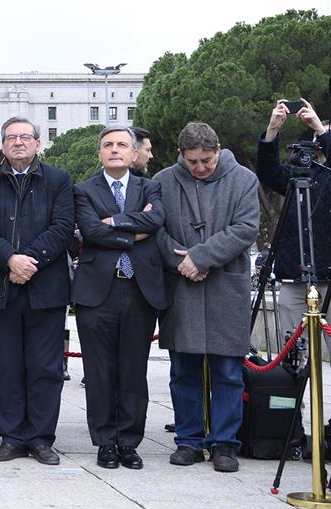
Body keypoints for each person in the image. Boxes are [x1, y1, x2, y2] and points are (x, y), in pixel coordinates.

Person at [0, 117, 74, 465]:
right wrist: (9, 259)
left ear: (38, 144)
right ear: (3, 145)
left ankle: (41, 438)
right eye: (10, 137)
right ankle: (11, 436)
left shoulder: (59, 180)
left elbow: (62, 227)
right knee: (5, 367)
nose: (18, 143)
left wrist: (30, 262)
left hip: (46, 290)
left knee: (45, 367)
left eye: (25, 137)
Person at [156, 122, 259, 473]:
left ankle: (225, 443)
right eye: (192, 161)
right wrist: (180, 261)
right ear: (181, 156)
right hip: (181, 287)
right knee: (182, 370)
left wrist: (200, 258)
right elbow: (155, 230)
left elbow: (245, 228)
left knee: (227, 371)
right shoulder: (163, 181)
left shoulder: (244, 179)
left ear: (218, 150)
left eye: (206, 160)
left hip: (225, 287)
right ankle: (188, 440)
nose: (200, 168)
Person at [72, 126, 169, 470]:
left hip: (139, 290)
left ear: (133, 153)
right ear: (99, 153)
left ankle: (129, 441)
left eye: (122, 145)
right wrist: (133, 232)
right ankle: (105, 441)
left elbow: (156, 219)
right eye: (108, 145)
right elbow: (91, 231)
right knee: (99, 372)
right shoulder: (82, 190)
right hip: (97, 291)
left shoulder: (150, 186)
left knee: (132, 370)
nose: (115, 150)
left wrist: (114, 220)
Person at [255, 99, 331, 336]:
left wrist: (319, 127)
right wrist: (273, 129)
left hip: (328, 277)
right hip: (293, 278)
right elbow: (268, 172)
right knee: (294, 355)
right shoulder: (297, 175)